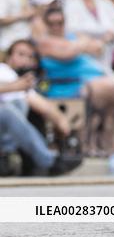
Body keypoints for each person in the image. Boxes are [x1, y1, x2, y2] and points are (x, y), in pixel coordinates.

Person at [35, 6, 114, 176]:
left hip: (94, 83)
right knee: (107, 87)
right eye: (52, 23)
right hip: (68, 87)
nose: (56, 27)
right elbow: (67, 53)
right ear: (46, 24)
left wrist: (79, 44)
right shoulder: (43, 42)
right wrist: (81, 44)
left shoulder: (71, 38)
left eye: (60, 23)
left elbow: (97, 47)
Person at [0, 39, 82, 176]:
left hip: (8, 131)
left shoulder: (18, 78)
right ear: (9, 56)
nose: (25, 60)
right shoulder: (3, 70)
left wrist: (60, 119)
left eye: (30, 57)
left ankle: (8, 156)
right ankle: (48, 161)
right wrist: (14, 87)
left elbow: (39, 103)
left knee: (21, 104)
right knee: (8, 109)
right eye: (21, 54)